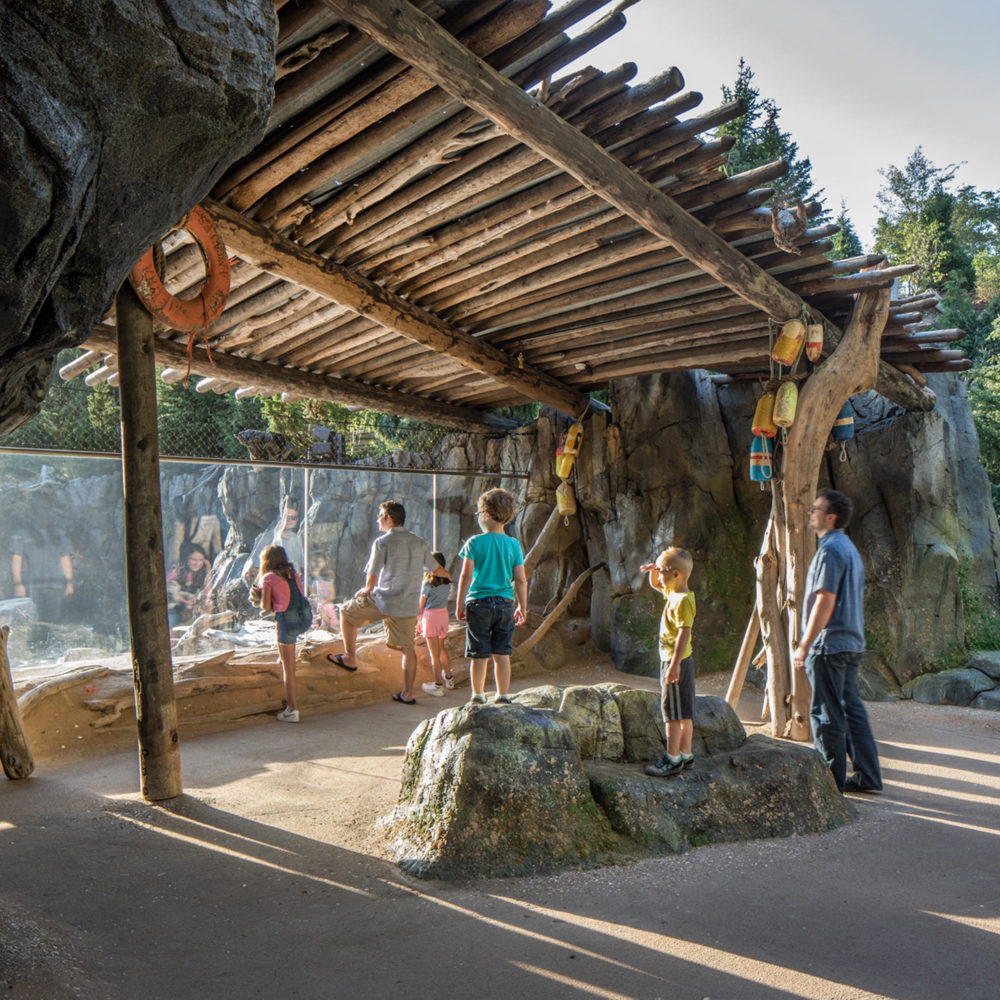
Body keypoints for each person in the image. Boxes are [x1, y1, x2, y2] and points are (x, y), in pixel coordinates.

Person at [793, 489, 883, 793]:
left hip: (829, 646)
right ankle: (868, 776)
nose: (811, 513)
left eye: (815, 509)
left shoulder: (830, 551)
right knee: (851, 709)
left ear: (830, 517)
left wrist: (805, 644)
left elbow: (824, 601)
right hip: (852, 642)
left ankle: (830, 786)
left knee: (826, 713)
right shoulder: (848, 547)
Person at [330, 500, 449, 704]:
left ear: (389, 518)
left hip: (384, 600)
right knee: (407, 649)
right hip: (408, 605)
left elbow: (373, 574)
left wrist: (366, 590)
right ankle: (407, 693)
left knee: (346, 613)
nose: (378, 519)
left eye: (380, 515)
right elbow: (436, 569)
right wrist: (449, 576)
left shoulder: (382, 542)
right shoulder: (419, 543)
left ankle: (350, 658)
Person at [455, 488, 527, 705]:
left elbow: (466, 576)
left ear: (486, 514)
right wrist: (522, 606)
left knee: (479, 653)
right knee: (502, 653)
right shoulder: (514, 544)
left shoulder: (474, 542)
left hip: (478, 603)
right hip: (505, 604)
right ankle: (502, 695)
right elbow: (521, 580)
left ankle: (477, 695)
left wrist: (459, 604)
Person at [640, 547, 697, 777]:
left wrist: (674, 665)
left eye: (662, 571)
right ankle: (686, 754)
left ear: (675, 574)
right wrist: (654, 570)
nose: (658, 575)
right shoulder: (675, 593)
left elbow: (684, 633)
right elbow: (656, 584)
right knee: (685, 712)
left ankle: (672, 759)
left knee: (671, 713)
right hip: (683, 661)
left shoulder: (682, 601)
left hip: (675, 662)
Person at [251, 545, 310, 724]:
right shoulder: (293, 573)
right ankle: (284, 655)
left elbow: (266, 607)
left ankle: (292, 710)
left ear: (266, 562)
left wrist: (257, 596)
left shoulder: (268, 578)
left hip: (288, 621)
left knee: (288, 669)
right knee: (287, 654)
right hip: (305, 617)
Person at [10, 525, 75, 623]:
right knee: (30, 620)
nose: (44, 511)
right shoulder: (22, 534)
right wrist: (18, 584)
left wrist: (69, 584)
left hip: (55, 586)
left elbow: (65, 559)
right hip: (31, 586)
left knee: (53, 620)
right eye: (41, 509)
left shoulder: (59, 534)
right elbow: (17, 560)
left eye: (47, 509)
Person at [418, 552, 455, 697]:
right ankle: (449, 679)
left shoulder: (427, 584)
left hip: (430, 616)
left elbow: (421, 606)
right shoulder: (448, 579)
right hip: (443, 615)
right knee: (442, 649)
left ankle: (437, 686)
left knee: (434, 654)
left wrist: (417, 621)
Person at [166, 544, 214, 628]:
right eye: (194, 559)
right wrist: (184, 600)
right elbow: (168, 589)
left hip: (191, 609)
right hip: (175, 608)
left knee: (208, 604)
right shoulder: (177, 571)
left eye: (201, 560)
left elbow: (208, 593)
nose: (197, 563)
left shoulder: (200, 574)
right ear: (186, 559)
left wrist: (208, 571)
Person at [308, 551, 339, 632]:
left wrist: (324, 601)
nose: (318, 564)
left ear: (325, 563)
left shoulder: (328, 576)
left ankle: (331, 626)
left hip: (327, 603)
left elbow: (332, 595)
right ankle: (321, 625)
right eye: (315, 561)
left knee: (329, 608)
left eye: (320, 561)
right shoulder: (310, 577)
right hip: (316, 605)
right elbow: (312, 595)